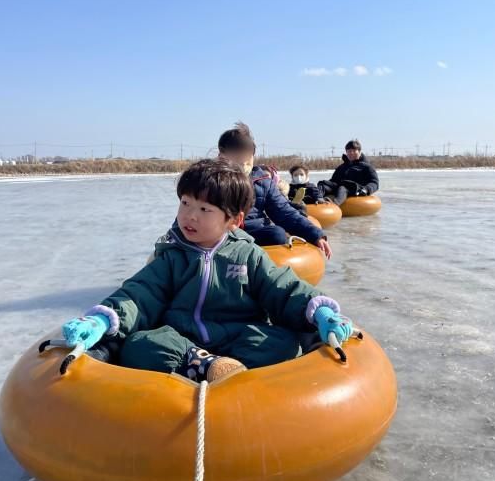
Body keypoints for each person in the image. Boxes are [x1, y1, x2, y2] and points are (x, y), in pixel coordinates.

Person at [60, 159, 353, 383]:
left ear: (234, 220)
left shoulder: (247, 254)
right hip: (181, 339)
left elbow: (281, 288)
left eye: (204, 209)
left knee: (284, 343)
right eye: (186, 203)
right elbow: (139, 294)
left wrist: (319, 311)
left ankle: (223, 369)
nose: (189, 215)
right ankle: (205, 365)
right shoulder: (173, 256)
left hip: (237, 336)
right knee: (140, 345)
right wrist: (102, 319)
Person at [217, 122, 332, 258]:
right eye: (236, 153)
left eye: (247, 153)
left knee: (276, 233)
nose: (243, 160)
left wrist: (315, 234)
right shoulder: (212, 181)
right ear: (222, 156)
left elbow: (284, 212)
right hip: (223, 234)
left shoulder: (262, 182)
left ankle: (260, 266)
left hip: (254, 232)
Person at [318, 140, 379, 206]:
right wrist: (327, 184)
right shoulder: (342, 167)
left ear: (359, 152)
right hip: (339, 187)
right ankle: (317, 199)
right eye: (349, 151)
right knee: (323, 185)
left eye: (354, 150)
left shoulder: (367, 167)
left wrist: (366, 189)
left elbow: (374, 183)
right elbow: (334, 180)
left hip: (355, 189)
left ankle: (334, 205)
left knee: (343, 187)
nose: (351, 153)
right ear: (346, 152)